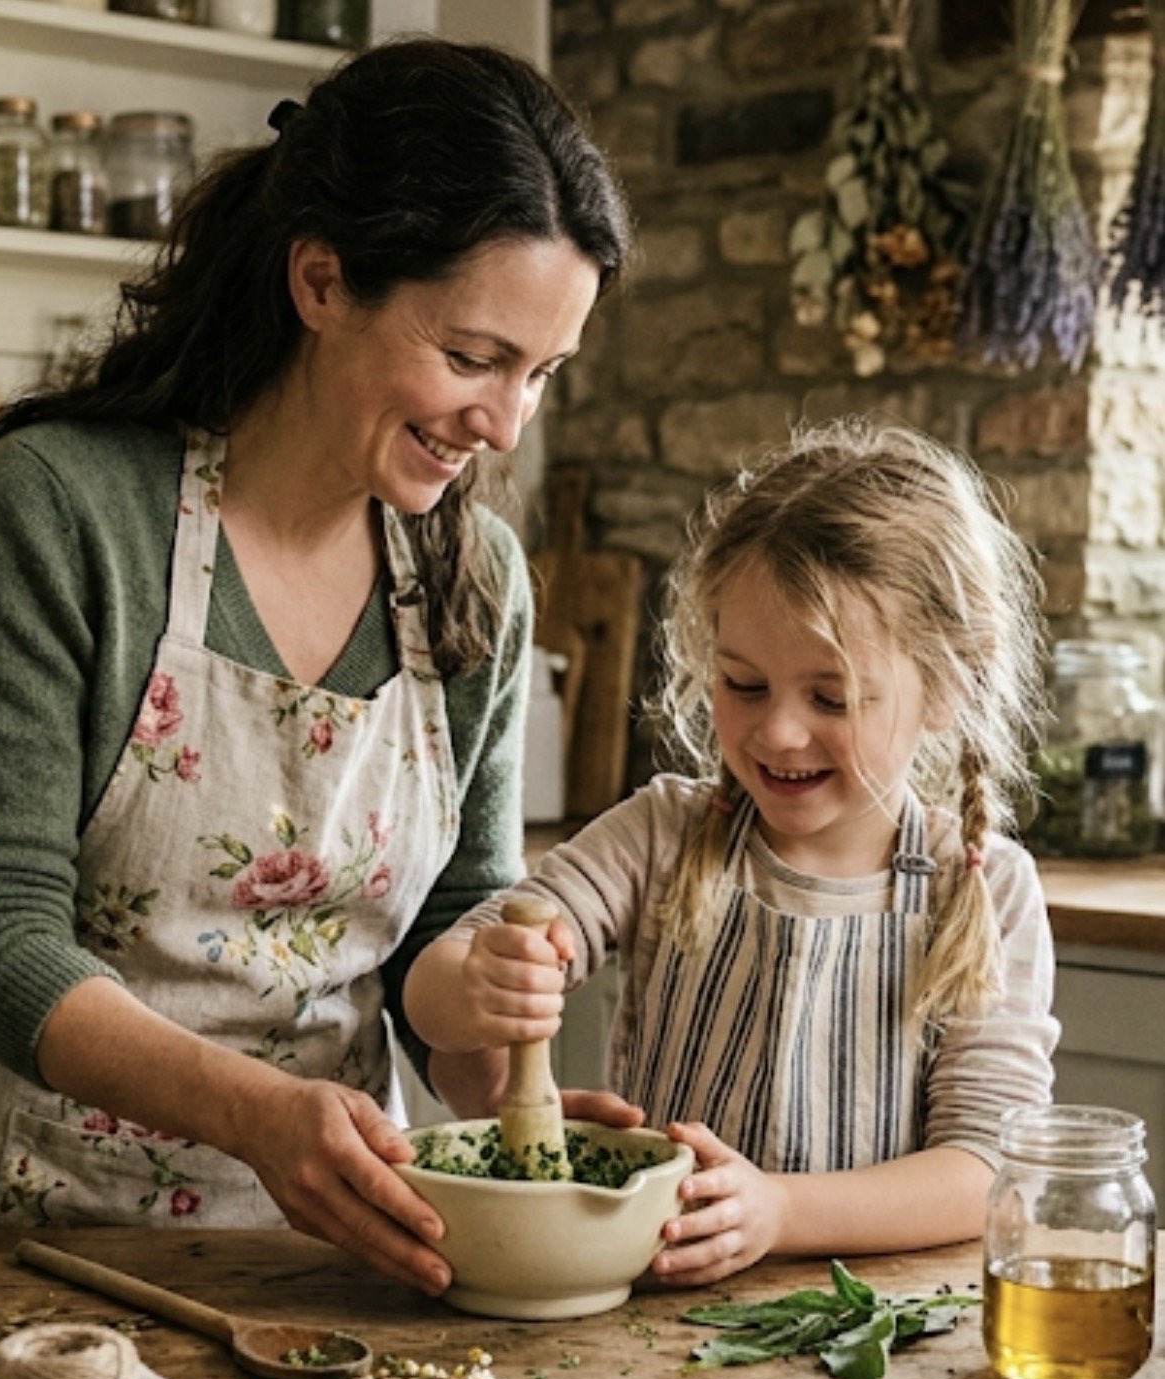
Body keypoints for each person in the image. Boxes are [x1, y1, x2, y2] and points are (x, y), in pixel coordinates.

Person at [0, 38, 636, 1296]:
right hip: (17, 1244)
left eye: (542, 373)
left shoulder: (475, 576)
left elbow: (442, 936)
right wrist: (260, 1114)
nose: (504, 425)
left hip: (324, 1257)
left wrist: (508, 1085)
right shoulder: (64, 511)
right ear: (324, 280)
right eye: (472, 357)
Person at [404, 417, 1060, 1287]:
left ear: (949, 687)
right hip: (652, 1327)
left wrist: (781, 1211)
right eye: (743, 684)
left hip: (865, 1333)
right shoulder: (660, 835)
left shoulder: (982, 889)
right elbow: (433, 993)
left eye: (833, 696)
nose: (779, 730)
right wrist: (479, 981)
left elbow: (983, 1169)